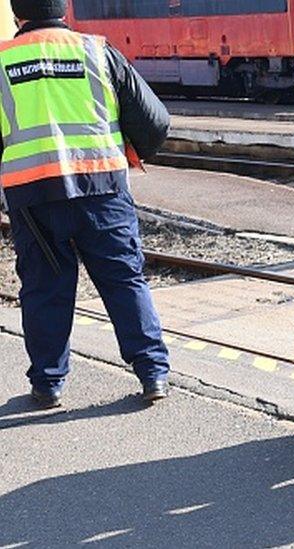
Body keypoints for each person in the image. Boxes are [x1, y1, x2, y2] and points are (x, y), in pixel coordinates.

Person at [0, 0, 172, 408]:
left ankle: (48, 383)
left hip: (32, 194)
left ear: (16, 15)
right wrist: (128, 152)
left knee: (44, 288)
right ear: (63, 10)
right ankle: (153, 374)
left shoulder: (4, 62)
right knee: (124, 280)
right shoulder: (97, 51)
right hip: (102, 188)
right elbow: (155, 122)